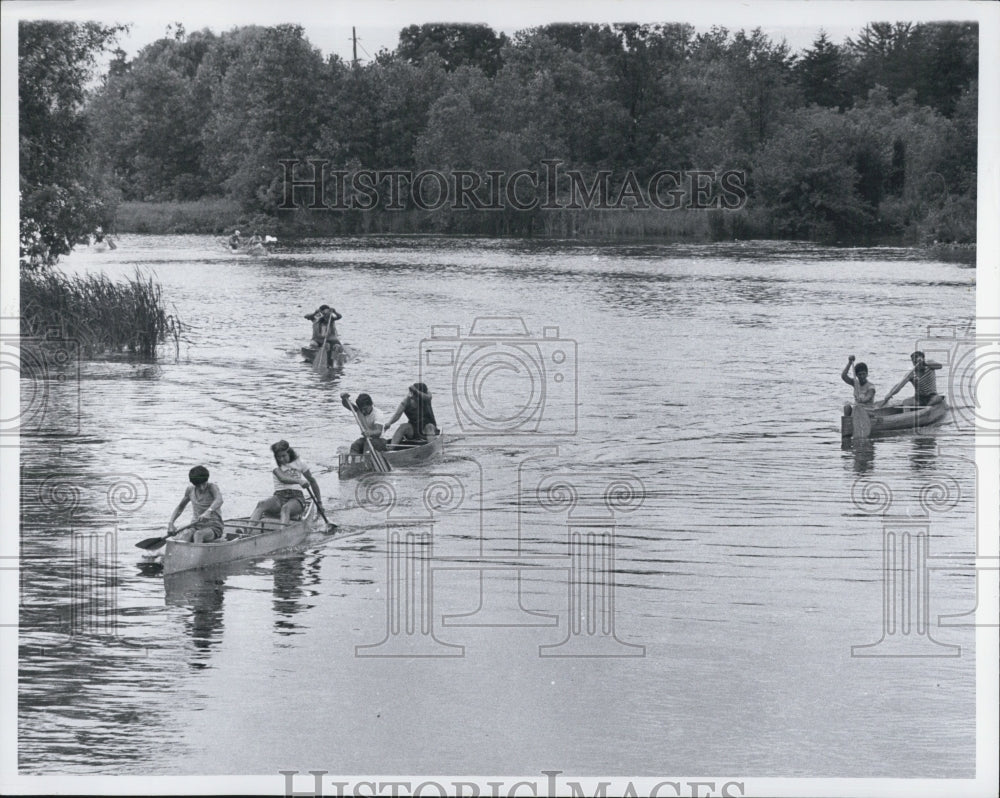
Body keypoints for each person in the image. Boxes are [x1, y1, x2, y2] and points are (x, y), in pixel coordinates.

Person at [249, 440, 324, 524]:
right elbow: (282, 478)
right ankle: (244, 534)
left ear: (289, 452)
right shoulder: (274, 462)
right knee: (261, 504)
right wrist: (299, 481)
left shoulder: (300, 463)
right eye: (278, 457)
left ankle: (282, 533)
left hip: (296, 498)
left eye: (283, 456)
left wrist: (319, 502)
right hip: (279, 496)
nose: (281, 459)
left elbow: (312, 481)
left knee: (285, 508)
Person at [167, 466, 225, 543]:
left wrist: (208, 511)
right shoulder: (190, 490)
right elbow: (180, 507)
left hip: (214, 527)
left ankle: (196, 554)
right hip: (196, 525)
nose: (202, 487)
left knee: (198, 535)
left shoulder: (212, 487)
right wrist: (171, 523)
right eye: (198, 485)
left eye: (204, 484)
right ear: (193, 483)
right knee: (186, 534)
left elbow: (219, 500)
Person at [878, 350, 944, 407]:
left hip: (932, 396)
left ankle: (928, 408)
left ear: (923, 359)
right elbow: (899, 385)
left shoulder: (930, 366)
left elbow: (940, 366)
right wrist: (890, 393)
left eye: (917, 361)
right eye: (914, 362)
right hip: (919, 398)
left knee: (933, 401)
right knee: (905, 402)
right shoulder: (911, 374)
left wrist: (924, 363)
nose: (916, 364)